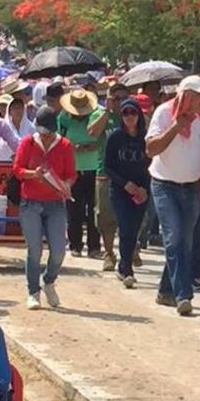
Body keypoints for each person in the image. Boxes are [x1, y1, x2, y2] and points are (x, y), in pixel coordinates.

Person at [145, 75, 200, 316]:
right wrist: (177, 125)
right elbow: (151, 149)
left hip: (192, 186)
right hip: (165, 185)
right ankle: (183, 295)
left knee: (182, 243)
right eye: (198, 96)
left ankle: (166, 290)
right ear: (185, 96)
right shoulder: (164, 113)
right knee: (175, 239)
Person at [12, 106, 75, 309]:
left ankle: (49, 281)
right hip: (30, 202)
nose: (45, 137)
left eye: (48, 133)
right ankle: (33, 291)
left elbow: (71, 173)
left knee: (58, 250)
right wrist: (33, 174)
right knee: (34, 249)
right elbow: (17, 169)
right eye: (42, 133)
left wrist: (67, 185)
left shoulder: (65, 145)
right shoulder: (27, 143)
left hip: (55, 202)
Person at [104, 98, 150, 288]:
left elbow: (152, 164)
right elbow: (108, 167)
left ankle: (125, 263)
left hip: (142, 190)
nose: (130, 117)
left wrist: (144, 189)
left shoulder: (146, 137)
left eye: (133, 112)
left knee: (135, 229)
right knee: (125, 227)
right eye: (125, 113)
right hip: (120, 190)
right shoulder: (115, 137)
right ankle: (126, 267)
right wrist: (125, 185)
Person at [58, 88, 103, 258]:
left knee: (94, 210)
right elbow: (58, 138)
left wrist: (94, 146)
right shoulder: (64, 117)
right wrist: (71, 147)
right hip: (72, 169)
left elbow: (102, 137)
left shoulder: (97, 115)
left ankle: (94, 246)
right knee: (74, 209)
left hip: (93, 168)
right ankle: (75, 244)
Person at [91, 82, 129, 271]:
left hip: (129, 174)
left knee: (130, 218)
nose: (121, 102)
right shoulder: (102, 116)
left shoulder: (131, 116)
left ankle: (129, 253)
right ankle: (108, 253)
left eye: (124, 98)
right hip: (105, 173)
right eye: (117, 99)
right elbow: (92, 133)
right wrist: (107, 111)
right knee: (105, 217)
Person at [0, 96, 34, 162]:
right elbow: (2, 146)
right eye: (15, 108)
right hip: (5, 164)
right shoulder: (4, 127)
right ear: (9, 111)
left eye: (20, 108)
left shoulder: (31, 127)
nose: (18, 110)